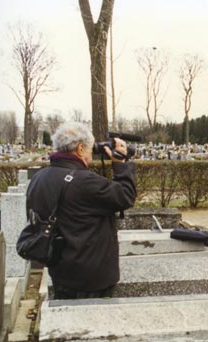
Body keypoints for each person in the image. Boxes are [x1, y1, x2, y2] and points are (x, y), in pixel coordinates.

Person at [25, 122, 136, 299]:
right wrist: (120, 163)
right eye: (90, 150)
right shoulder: (85, 182)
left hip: (59, 269)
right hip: (91, 278)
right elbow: (125, 196)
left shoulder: (39, 177)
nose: (92, 155)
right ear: (80, 149)